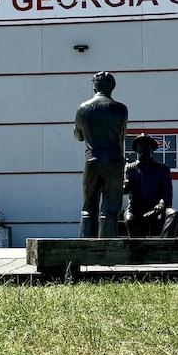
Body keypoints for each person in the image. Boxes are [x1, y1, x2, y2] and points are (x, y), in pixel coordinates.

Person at [73, 71, 129, 237]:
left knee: (88, 207)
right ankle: (107, 247)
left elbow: (78, 136)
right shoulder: (121, 109)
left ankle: (85, 246)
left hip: (92, 160)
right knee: (111, 208)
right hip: (113, 161)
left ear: (94, 86)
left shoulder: (83, 108)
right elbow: (122, 136)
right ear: (112, 87)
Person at [123, 133, 178, 237]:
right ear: (136, 149)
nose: (143, 149)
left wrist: (161, 205)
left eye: (146, 146)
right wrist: (120, 180)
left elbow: (167, 194)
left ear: (152, 149)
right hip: (135, 210)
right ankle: (138, 250)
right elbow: (125, 190)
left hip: (157, 210)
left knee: (173, 214)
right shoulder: (130, 168)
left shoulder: (163, 169)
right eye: (140, 146)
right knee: (129, 219)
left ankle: (163, 247)